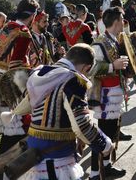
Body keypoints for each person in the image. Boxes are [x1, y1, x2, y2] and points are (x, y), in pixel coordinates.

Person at [22, 44, 113, 179]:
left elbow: (25, 106)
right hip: (57, 154)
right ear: (86, 67)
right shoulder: (73, 80)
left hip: (34, 148)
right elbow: (82, 124)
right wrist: (105, 144)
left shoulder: (42, 71)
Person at [87, 7, 128, 179]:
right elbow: (92, 68)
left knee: (110, 133)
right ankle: (95, 173)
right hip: (104, 94)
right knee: (101, 136)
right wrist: (113, 66)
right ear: (117, 21)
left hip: (114, 92)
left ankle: (106, 166)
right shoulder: (99, 42)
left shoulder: (113, 40)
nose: (124, 23)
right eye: (122, 20)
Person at [0, 0, 39, 157]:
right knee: (17, 130)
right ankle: (8, 168)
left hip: (0, 80)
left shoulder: (6, 27)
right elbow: (18, 65)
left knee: (10, 130)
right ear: (32, 16)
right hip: (16, 84)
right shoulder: (23, 32)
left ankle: (5, 168)